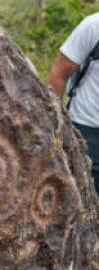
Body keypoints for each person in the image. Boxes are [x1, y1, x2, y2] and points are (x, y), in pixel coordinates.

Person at [48, 14, 99, 192]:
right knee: (84, 200)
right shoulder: (94, 26)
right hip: (88, 132)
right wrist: (55, 125)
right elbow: (59, 73)